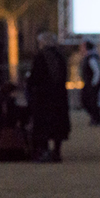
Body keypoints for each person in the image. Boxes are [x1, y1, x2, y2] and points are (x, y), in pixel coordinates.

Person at [26, 32, 71, 162]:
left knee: (42, 126)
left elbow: (35, 77)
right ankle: (57, 152)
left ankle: (44, 151)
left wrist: (29, 86)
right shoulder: (60, 56)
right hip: (59, 97)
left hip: (43, 98)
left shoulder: (40, 57)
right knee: (58, 126)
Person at [79, 40, 100, 126]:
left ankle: (96, 119)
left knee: (92, 102)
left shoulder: (92, 58)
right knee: (86, 101)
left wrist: (94, 84)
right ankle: (95, 118)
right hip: (89, 84)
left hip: (92, 84)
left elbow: (97, 72)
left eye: (82, 47)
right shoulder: (88, 57)